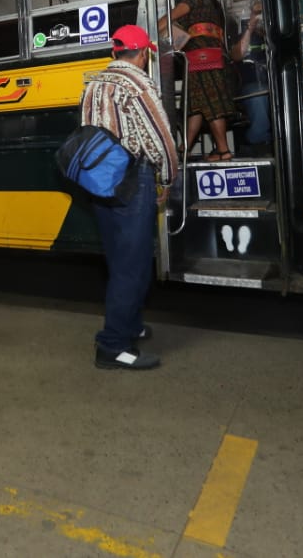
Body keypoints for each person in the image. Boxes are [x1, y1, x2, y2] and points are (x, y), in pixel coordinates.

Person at [80, 24, 178, 370]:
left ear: (113, 51)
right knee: (132, 265)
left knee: (121, 259)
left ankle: (131, 324)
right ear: (144, 53)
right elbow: (160, 136)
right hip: (131, 179)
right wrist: (167, 177)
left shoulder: (93, 82)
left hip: (99, 182)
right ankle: (112, 346)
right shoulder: (138, 82)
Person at [165, 0, 234, 161]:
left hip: (202, 58)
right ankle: (185, 147)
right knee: (195, 105)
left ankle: (223, 149)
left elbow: (171, 17)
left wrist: (154, 27)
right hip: (211, 56)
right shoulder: (214, 4)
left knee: (211, 102)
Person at [231, 0, 271, 148]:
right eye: (257, 14)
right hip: (250, 86)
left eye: (263, 14)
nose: (260, 17)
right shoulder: (243, 36)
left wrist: (267, 30)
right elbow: (237, 55)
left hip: (274, 82)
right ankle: (258, 139)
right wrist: (250, 28)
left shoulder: (274, 34)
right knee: (259, 93)